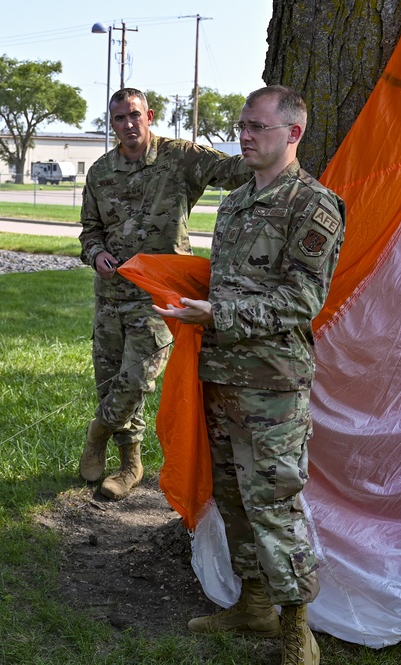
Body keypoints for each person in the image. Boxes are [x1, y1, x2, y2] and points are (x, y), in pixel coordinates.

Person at [156, 85, 344, 665]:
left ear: (293, 134)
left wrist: (220, 314)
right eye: (242, 125)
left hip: (272, 384)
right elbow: (226, 281)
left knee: (275, 504)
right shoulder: (236, 203)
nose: (244, 135)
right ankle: (255, 604)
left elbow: (301, 299)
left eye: (258, 126)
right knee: (234, 498)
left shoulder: (312, 205)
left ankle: (297, 629)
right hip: (222, 375)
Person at [78, 87, 251, 501]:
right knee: (110, 380)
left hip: (159, 296)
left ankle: (98, 430)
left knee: (137, 379)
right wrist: (96, 251)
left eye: (134, 115)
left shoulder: (180, 156)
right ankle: (129, 466)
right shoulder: (100, 171)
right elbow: (90, 230)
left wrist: (274, 143)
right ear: (112, 123)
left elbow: (234, 171)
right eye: (119, 119)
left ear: (149, 115)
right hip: (112, 295)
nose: (128, 125)